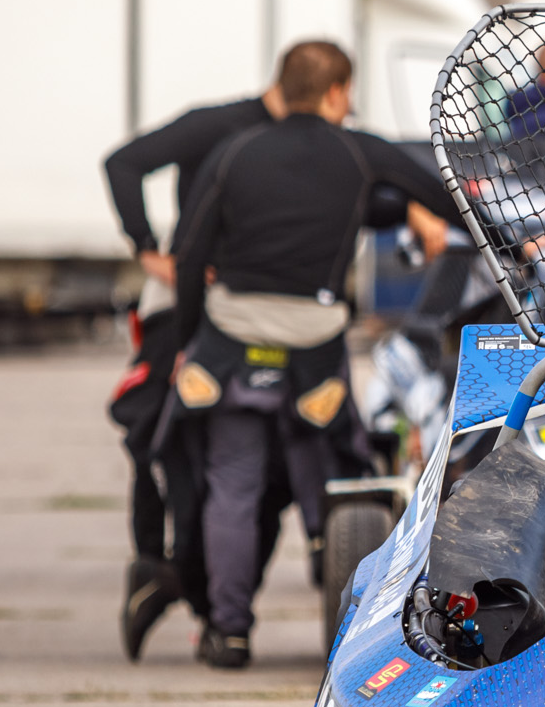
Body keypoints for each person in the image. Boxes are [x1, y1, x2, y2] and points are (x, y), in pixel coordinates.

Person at [103, 55, 444, 657]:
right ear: (335, 91)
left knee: (232, 484)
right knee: (322, 481)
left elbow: (193, 253)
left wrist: (191, 338)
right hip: (306, 349)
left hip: (229, 343)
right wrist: (517, 244)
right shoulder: (350, 150)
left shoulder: (236, 151)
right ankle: (342, 631)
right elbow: (439, 193)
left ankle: (227, 628)